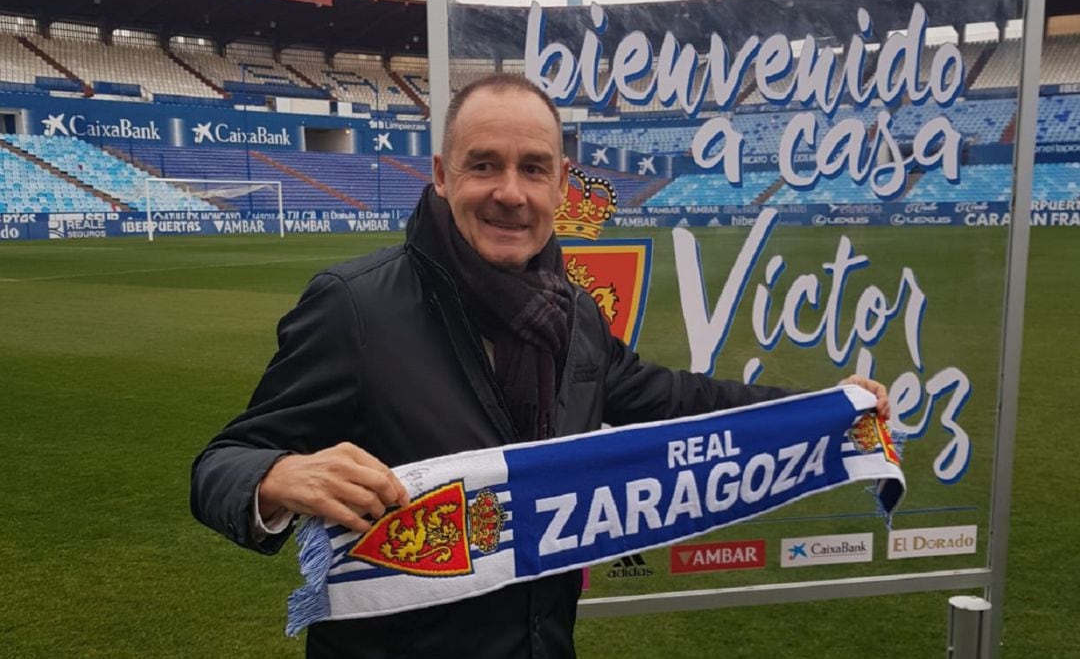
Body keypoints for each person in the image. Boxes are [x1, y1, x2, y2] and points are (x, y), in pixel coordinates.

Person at [190, 73, 890, 658]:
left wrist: (827, 407)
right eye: (484, 164)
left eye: (533, 169)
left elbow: (674, 398)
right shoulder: (355, 308)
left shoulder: (574, 315)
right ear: (441, 175)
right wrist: (278, 476)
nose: (510, 193)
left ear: (561, 185)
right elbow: (224, 461)